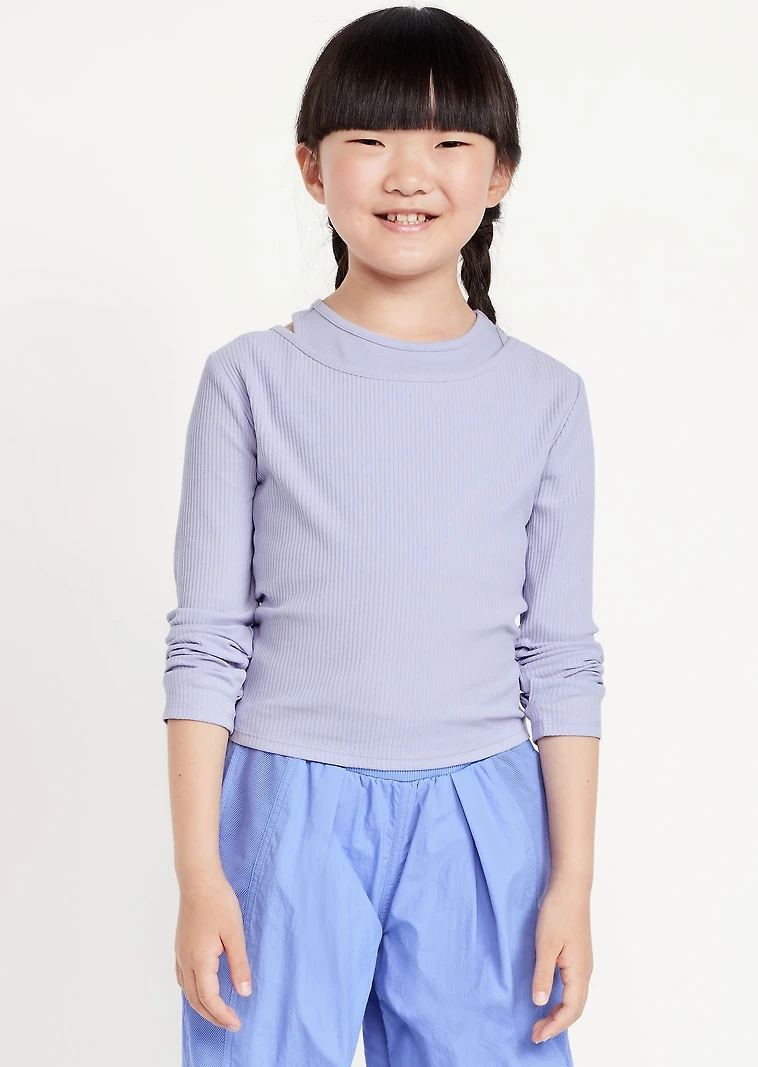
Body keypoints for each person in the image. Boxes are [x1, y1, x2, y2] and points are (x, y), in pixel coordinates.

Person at [162, 6, 605, 1065]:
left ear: (499, 174)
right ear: (313, 169)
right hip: (286, 805)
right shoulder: (249, 379)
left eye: (449, 141)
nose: (409, 173)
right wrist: (199, 873)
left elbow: (559, 655)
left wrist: (571, 883)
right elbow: (206, 639)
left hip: (479, 813)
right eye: (371, 138)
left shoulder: (545, 397)